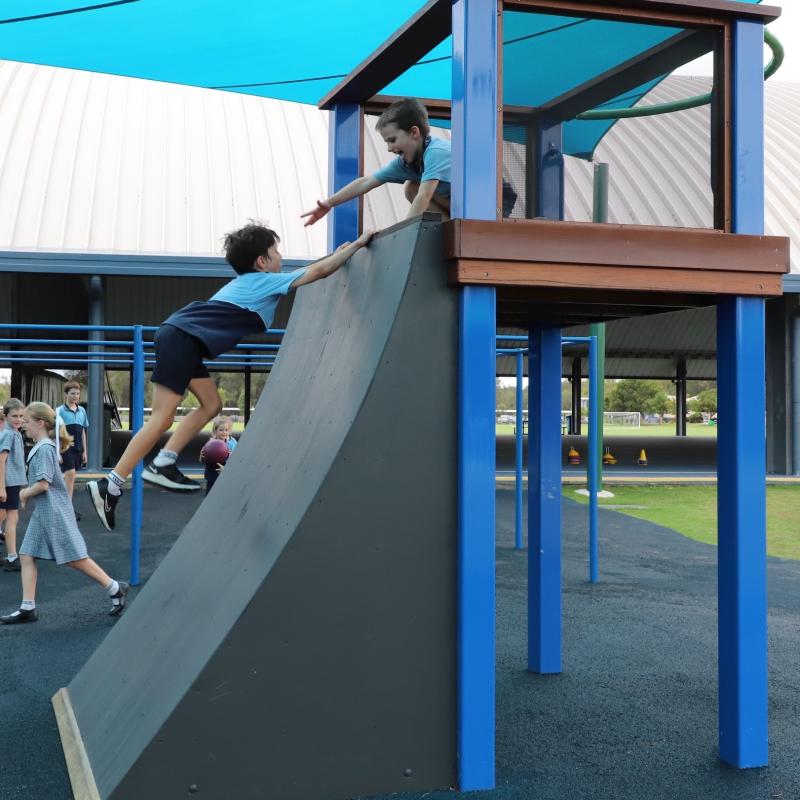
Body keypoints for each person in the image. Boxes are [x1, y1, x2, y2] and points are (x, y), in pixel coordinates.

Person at [86, 222, 374, 531]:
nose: (281, 256)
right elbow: (314, 274)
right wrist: (356, 246)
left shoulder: (256, 282)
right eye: (276, 251)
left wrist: (336, 254)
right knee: (161, 418)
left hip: (184, 338)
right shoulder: (262, 281)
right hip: (182, 338)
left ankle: (163, 462)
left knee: (211, 403)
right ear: (261, 261)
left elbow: (309, 269)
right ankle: (113, 483)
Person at [0, 403, 128, 624]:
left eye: (28, 421)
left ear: (40, 423)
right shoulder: (43, 447)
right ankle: (27, 607)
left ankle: (115, 587)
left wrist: (23, 494)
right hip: (44, 512)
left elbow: (43, 484)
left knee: (74, 558)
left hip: (54, 512)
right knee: (27, 554)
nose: (24, 427)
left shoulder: (44, 449)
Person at [301, 97, 516, 227]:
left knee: (416, 189)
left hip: (492, 204)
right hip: (463, 208)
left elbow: (424, 196)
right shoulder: (408, 162)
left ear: (414, 132)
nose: (389, 148)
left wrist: (404, 232)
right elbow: (366, 182)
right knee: (410, 187)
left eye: (392, 140)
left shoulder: (437, 152)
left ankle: (456, 229)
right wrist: (329, 203)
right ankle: (451, 229)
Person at [0, 399, 28, 572]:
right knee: (12, 518)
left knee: (7, 517)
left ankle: (11, 556)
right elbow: (1, 461)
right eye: (14, 416)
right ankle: (11, 557)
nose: (18, 419)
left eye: (21, 416)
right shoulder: (9, 434)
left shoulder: (14, 432)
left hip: (11, 482)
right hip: (7, 483)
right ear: (6, 416)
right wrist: (1, 486)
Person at [56, 380, 89, 521]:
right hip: (65, 447)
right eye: (72, 393)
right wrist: (58, 451)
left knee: (70, 477)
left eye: (77, 393)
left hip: (78, 448)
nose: (75, 396)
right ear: (66, 394)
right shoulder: (59, 411)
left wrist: (85, 451)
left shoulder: (82, 410)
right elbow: (57, 433)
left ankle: (60, 502)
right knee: (70, 474)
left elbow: (82, 432)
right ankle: (67, 508)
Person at [200, 416, 237, 495]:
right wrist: (201, 456)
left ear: (229, 430)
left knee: (225, 494)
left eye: (226, 430)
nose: (224, 432)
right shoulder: (211, 443)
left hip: (226, 471)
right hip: (212, 472)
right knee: (210, 494)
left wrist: (231, 457)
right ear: (215, 431)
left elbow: (238, 459)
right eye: (221, 430)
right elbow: (202, 460)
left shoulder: (232, 442)